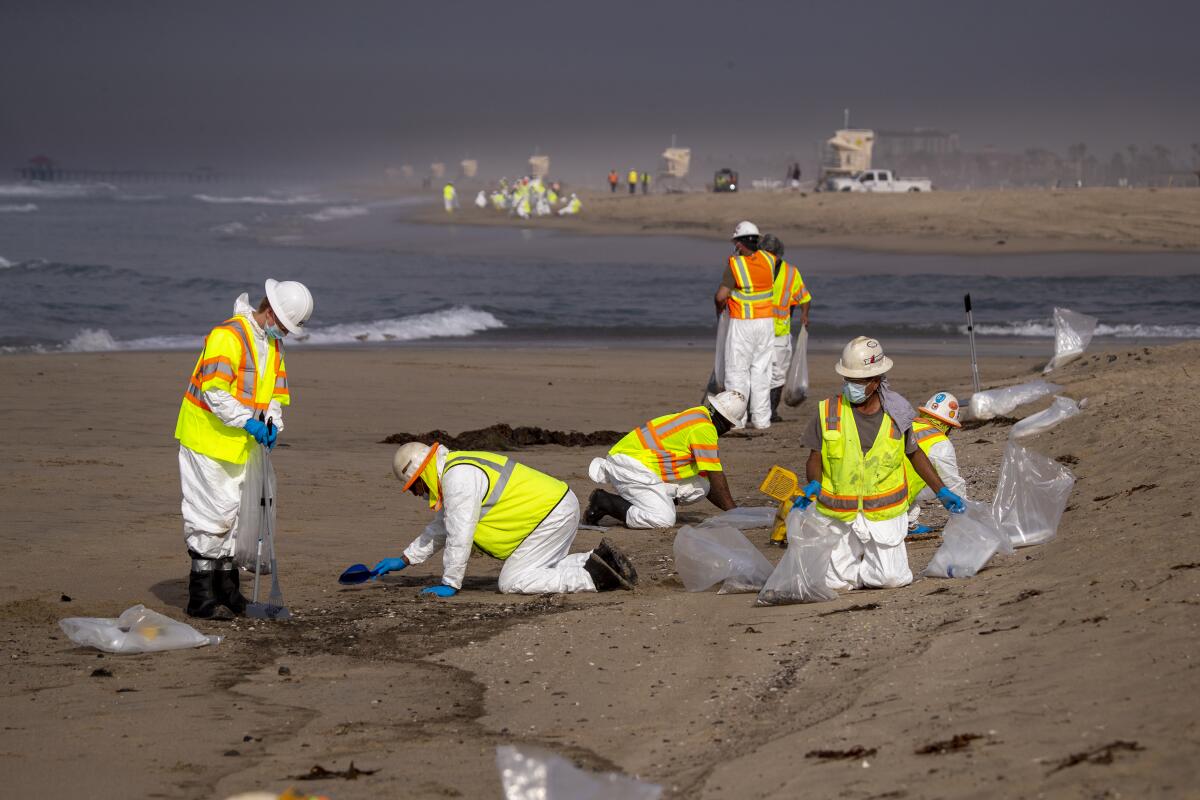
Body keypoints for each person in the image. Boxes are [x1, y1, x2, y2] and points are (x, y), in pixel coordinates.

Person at [174, 279, 314, 618]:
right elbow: (215, 392)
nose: (285, 333)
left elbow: (274, 396)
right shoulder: (229, 336)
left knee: (237, 520)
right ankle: (201, 598)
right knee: (211, 517)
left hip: (242, 445)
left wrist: (271, 425)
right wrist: (247, 421)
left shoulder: (272, 344)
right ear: (269, 311)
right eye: (284, 326)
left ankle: (228, 591)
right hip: (207, 440)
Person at [793, 337, 965, 590]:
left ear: (875, 381)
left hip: (884, 514)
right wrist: (814, 484)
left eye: (858, 381)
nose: (851, 386)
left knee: (891, 580)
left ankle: (867, 561)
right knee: (836, 584)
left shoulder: (898, 412)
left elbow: (915, 454)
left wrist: (942, 491)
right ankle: (853, 561)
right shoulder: (828, 411)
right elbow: (815, 456)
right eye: (848, 380)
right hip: (840, 515)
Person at [372, 443, 638, 594]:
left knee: (512, 581)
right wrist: (406, 559)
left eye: (414, 488)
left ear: (419, 476)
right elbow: (443, 526)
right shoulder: (456, 467)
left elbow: (459, 534)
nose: (416, 494)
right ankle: (597, 559)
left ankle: (595, 579)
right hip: (555, 507)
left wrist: (450, 583)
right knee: (539, 565)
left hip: (550, 515)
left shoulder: (457, 478)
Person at [585, 390, 745, 528]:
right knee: (663, 519)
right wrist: (734, 513)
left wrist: (732, 511)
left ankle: (653, 501)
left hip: (638, 463)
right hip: (631, 466)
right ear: (728, 423)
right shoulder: (704, 429)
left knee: (702, 485)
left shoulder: (698, 414)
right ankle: (604, 502)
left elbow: (710, 479)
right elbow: (715, 474)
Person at [714, 220, 777, 428]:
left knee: (736, 372)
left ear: (739, 244)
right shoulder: (770, 260)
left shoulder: (735, 265)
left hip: (742, 324)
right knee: (762, 372)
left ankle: (737, 419)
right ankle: (761, 420)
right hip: (767, 324)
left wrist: (718, 309)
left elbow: (721, 296)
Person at [759, 234, 812, 422]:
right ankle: (758, 409)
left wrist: (804, 315)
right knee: (758, 370)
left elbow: (804, 298)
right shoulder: (752, 269)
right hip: (756, 330)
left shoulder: (791, 272)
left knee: (777, 373)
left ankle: (771, 411)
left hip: (779, 332)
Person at [904, 392, 967, 535]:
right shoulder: (940, 442)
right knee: (936, 480)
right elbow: (952, 484)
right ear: (948, 425)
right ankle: (905, 521)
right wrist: (965, 514)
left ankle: (908, 521)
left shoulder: (906, 426)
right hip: (895, 496)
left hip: (879, 489)